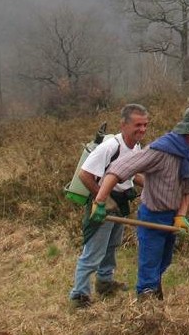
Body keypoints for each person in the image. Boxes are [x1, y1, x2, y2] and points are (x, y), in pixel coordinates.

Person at [89, 104, 189, 301]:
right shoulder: (161, 150)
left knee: (163, 262)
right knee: (150, 265)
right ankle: (147, 307)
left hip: (172, 217)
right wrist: (100, 201)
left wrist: (181, 216)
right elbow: (118, 168)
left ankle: (154, 295)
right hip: (153, 216)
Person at [68, 104, 149, 309]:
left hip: (121, 202)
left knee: (112, 245)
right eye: (137, 125)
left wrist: (154, 186)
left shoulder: (136, 147)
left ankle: (104, 282)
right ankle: (79, 295)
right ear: (123, 125)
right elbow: (85, 175)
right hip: (103, 203)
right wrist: (102, 199)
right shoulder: (110, 147)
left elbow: (131, 173)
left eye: (145, 125)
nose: (142, 129)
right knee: (94, 250)